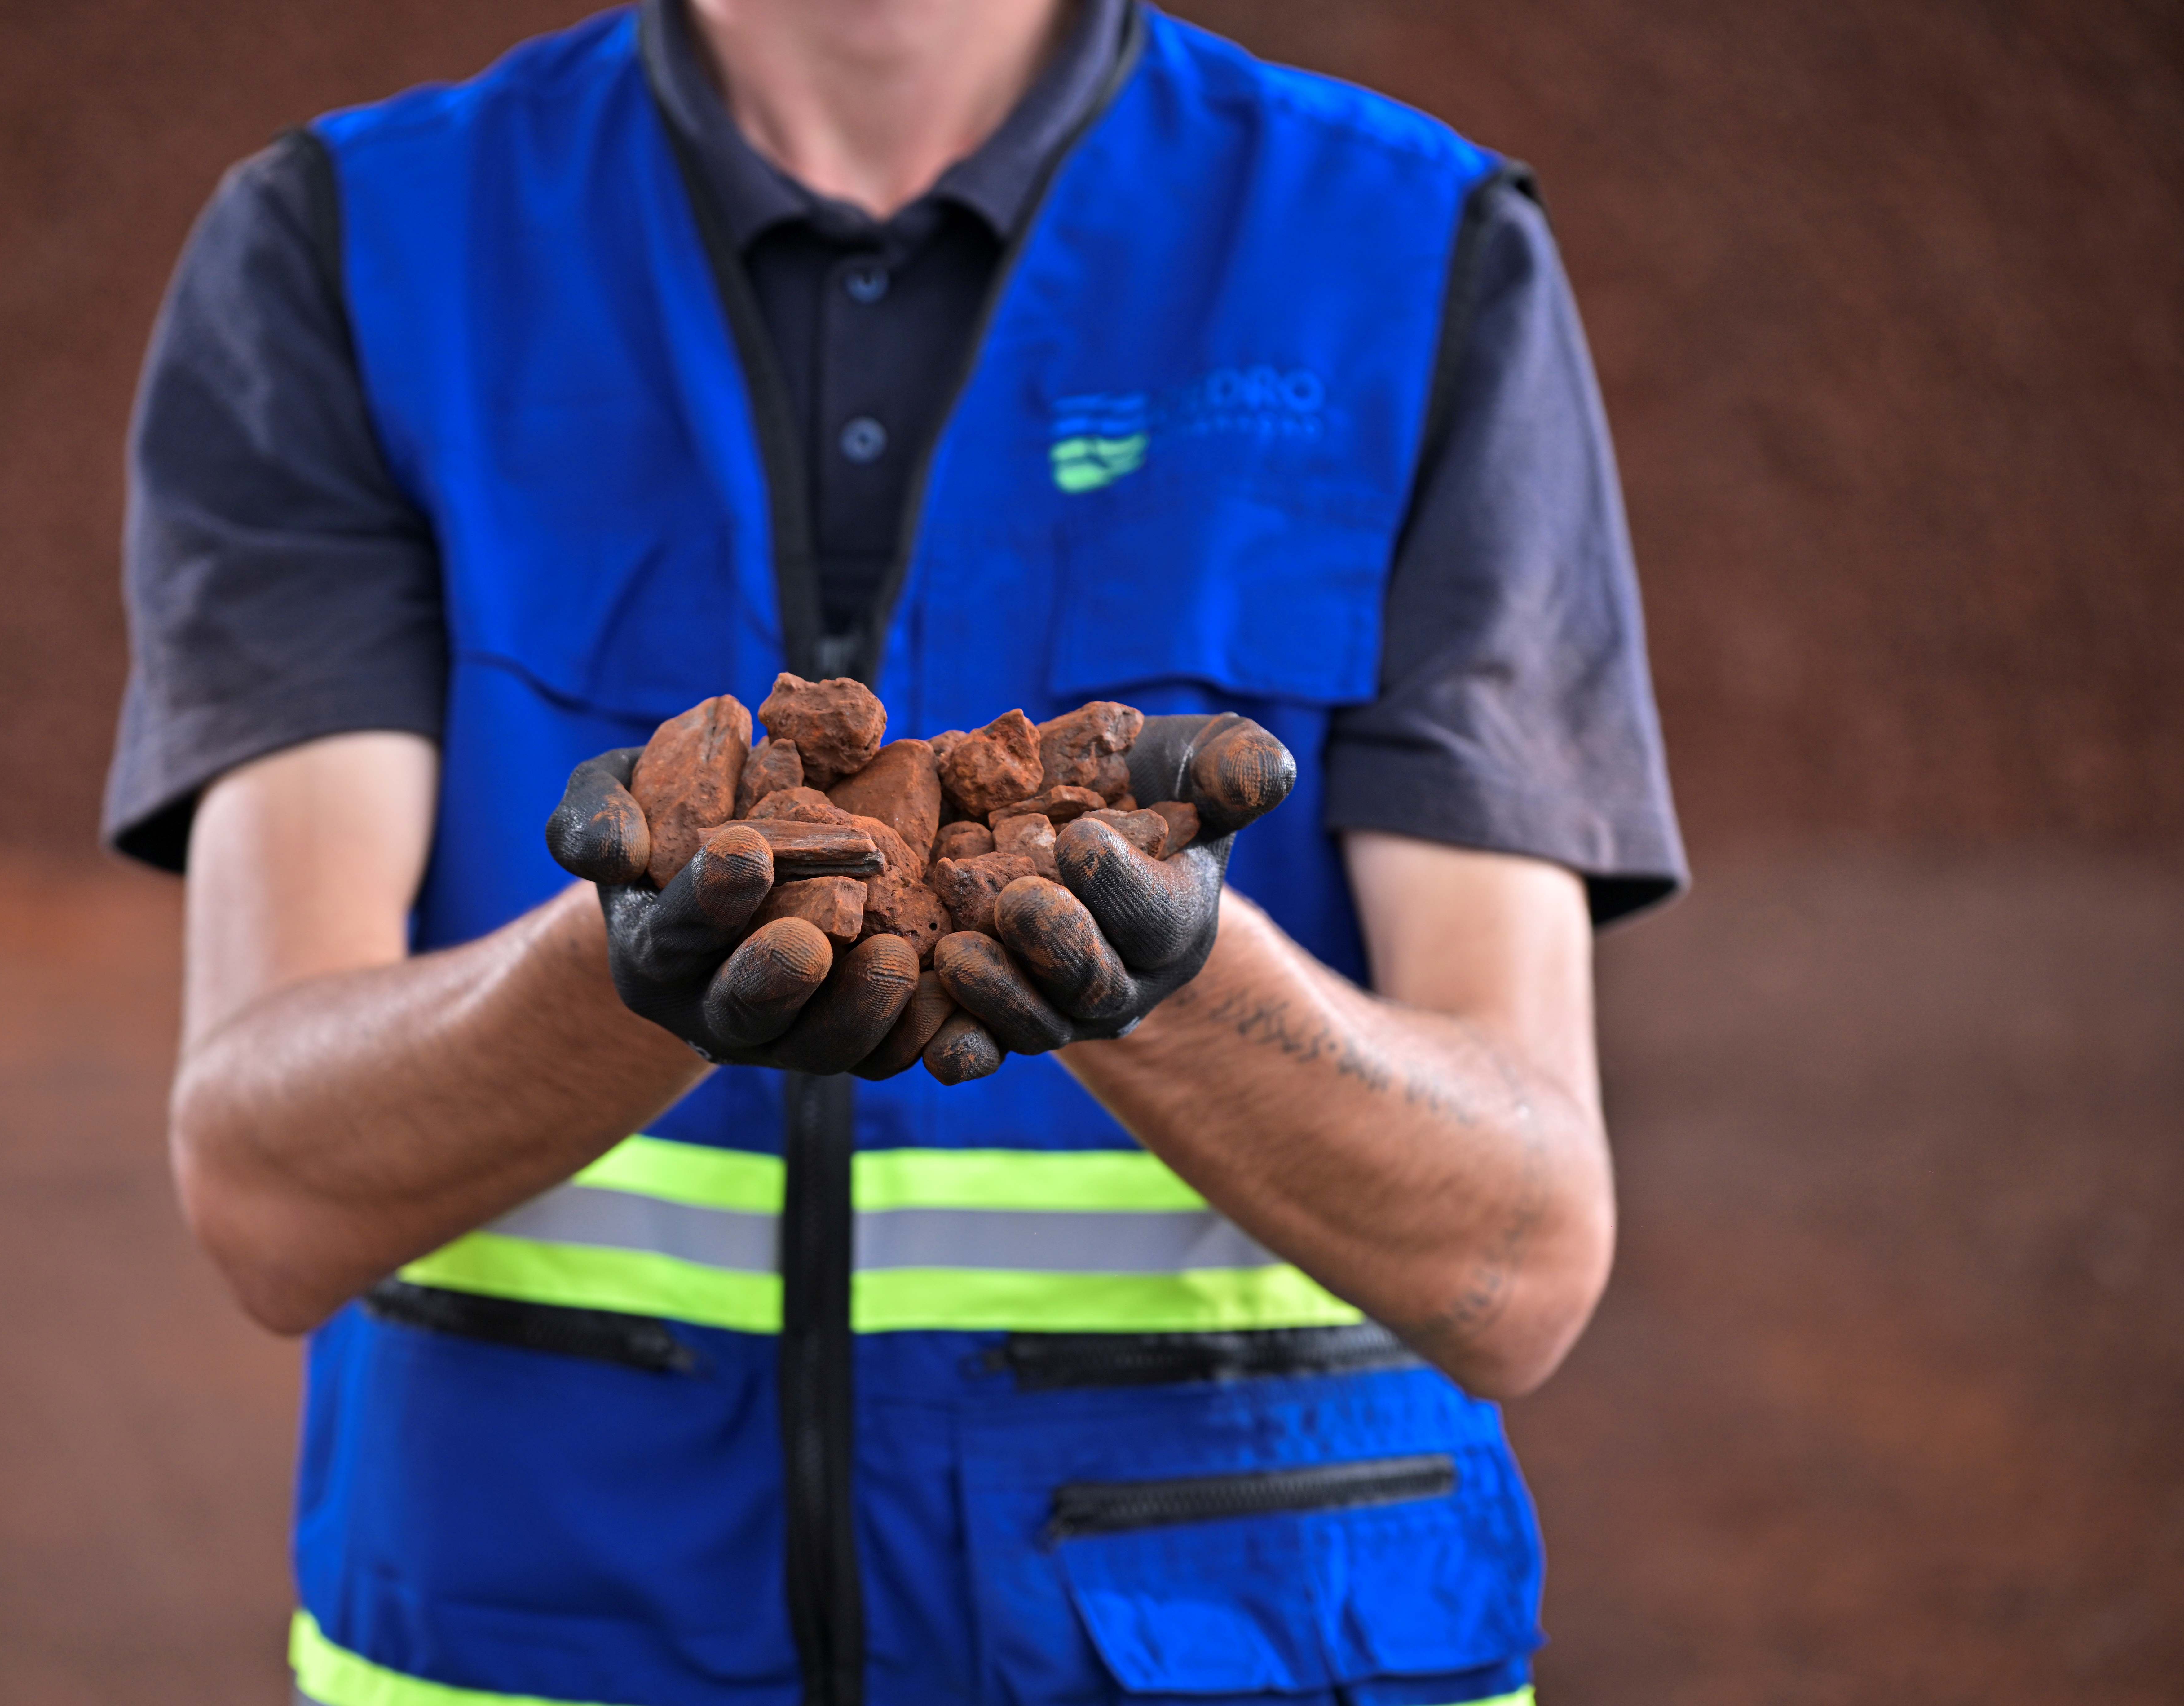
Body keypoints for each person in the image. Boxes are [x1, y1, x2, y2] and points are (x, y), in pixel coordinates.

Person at [105, 0, 1687, 1700]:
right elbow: (266, 1193)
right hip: (544, 1646)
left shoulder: (1404, 256)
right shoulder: (361, 251)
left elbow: (1520, 1260)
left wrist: (1172, 970)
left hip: (1239, 1646)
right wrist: (619, 970)